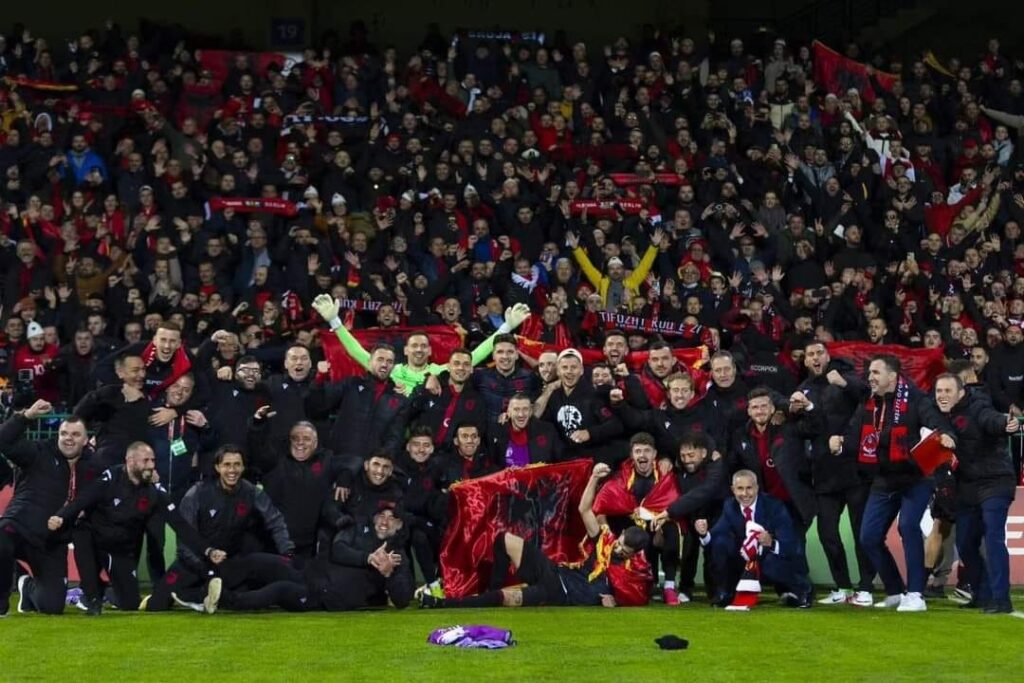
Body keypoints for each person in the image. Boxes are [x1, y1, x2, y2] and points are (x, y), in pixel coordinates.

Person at [422, 462, 652, 608]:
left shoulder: (631, 574)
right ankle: (492, 591)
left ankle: (443, 604)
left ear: (634, 554)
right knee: (503, 539)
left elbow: (633, 596)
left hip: (558, 593)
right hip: (552, 570)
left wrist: (616, 603)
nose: (619, 550)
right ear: (620, 536)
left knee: (508, 599)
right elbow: (584, 510)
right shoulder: (606, 542)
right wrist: (593, 478)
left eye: (624, 550)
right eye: (620, 544)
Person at [46, 442, 221, 615]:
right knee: (81, 532)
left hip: (120, 548)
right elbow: (82, 500)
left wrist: (207, 550)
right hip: (94, 538)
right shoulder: (110, 479)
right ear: (130, 461)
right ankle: (92, 597)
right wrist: (61, 516)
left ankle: (101, 591)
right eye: (146, 461)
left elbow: (181, 526)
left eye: (153, 460)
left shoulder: (155, 493)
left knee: (130, 603)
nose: (151, 465)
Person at [831, 355, 935, 612]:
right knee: (868, 537)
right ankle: (895, 590)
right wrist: (841, 442)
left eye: (876, 373)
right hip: (884, 478)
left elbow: (935, 428)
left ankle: (916, 594)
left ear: (893, 376)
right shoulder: (870, 402)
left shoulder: (917, 399)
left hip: (915, 478)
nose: (870, 378)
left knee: (909, 527)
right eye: (869, 373)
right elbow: (856, 432)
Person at [145, 445, 297, 613]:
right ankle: (195, 595)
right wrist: (207, 570)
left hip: (229, 562)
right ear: (217, 467)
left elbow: (275, 520)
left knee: (250, 589)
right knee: (156, 605)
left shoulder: (251, 492)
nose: (232, 470)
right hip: (193, 562)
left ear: (243, 467)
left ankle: (203, 595)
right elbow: (184, 542)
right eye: (227, 465)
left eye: (237, 464)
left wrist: (287, 552)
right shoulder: (197, 493)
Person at [312, 294, 530, 393]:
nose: (418, 349)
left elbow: (474, 356)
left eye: (423, 346)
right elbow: (356, 352)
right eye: (414, 345)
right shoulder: (391, 369)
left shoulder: (439, 370)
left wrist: (505, 328)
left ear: (429, 350)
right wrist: (335, 321)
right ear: (406, 350)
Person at [797, 340, 874, 607]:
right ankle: (842, 586)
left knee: (861, 531)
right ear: (805, 360)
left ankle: (865, 588)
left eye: (819, 352)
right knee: (827, 532)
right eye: (810, 354)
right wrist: (795, 412)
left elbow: (869, 394)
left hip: (854, 468)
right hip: (824, 471)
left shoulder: (846, 376)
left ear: (828, 356)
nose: (815, 357)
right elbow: (805, 430)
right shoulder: (803, 390)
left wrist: (844, 383)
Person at [932, 373, 1018, 613]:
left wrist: (1006, 425)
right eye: (939, 391)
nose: (942, 396)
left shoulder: (978, 406)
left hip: (995, 481)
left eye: (948, 391)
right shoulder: (939, 414)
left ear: (960, 393)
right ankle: (981, 594)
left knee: (993, 537)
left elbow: (991, 420)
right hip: (967, 485)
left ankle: (1001, 599)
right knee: (965, 542)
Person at [0, 400, 95, 616]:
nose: (69, 438)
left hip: (52, 543)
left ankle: (27, 586)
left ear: (86, 440)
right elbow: (3, 441)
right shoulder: (39, 452)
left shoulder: (92, 467)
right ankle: (0, 604)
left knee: (52, 606)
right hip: (20, 526)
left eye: (75, 435)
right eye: (64, 433)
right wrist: (25, 416)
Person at [696, 469, 813, 608]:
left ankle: (802, 591)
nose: (745, 494)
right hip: (746, 563)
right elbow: (715, 536)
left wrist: (772, 543)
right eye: (740, 489)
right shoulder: (729, 506)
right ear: (733, 490)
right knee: (721, 543)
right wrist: (703, 533)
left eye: (749, 488)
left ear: (757, 488)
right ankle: (726, 593)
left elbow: (791, 544)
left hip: (772, 559)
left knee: (771, 563)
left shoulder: (774, 506)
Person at [651, 431, 729, 602]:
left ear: (703, 453)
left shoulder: (716, 466)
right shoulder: (680, 470)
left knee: (714, 551)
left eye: (691, 455)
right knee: (688, 552)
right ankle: (686, 588)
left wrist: (669, 512)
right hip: (689, 514)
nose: (687, 460)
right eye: (683, 455)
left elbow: (704, 492)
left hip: (716, 514)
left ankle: (716, 591)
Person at [305, 343, 411, 463]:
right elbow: (317, 407)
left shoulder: (399, 399)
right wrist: (320, 378)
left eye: (389, 361)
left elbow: (394, 438)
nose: (384, 364)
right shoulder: (351, 384)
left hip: (370, 468)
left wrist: (382, 462)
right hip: (339, 460)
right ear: (370, 361)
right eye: (380, 359)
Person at [487, 393, 562, 466]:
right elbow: (493, 466)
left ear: (530, 412)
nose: (521, 414)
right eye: (516, 409)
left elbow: (560, 462)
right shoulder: (496, 433)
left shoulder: (547, 431)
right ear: (508, 412)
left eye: (525, 409)